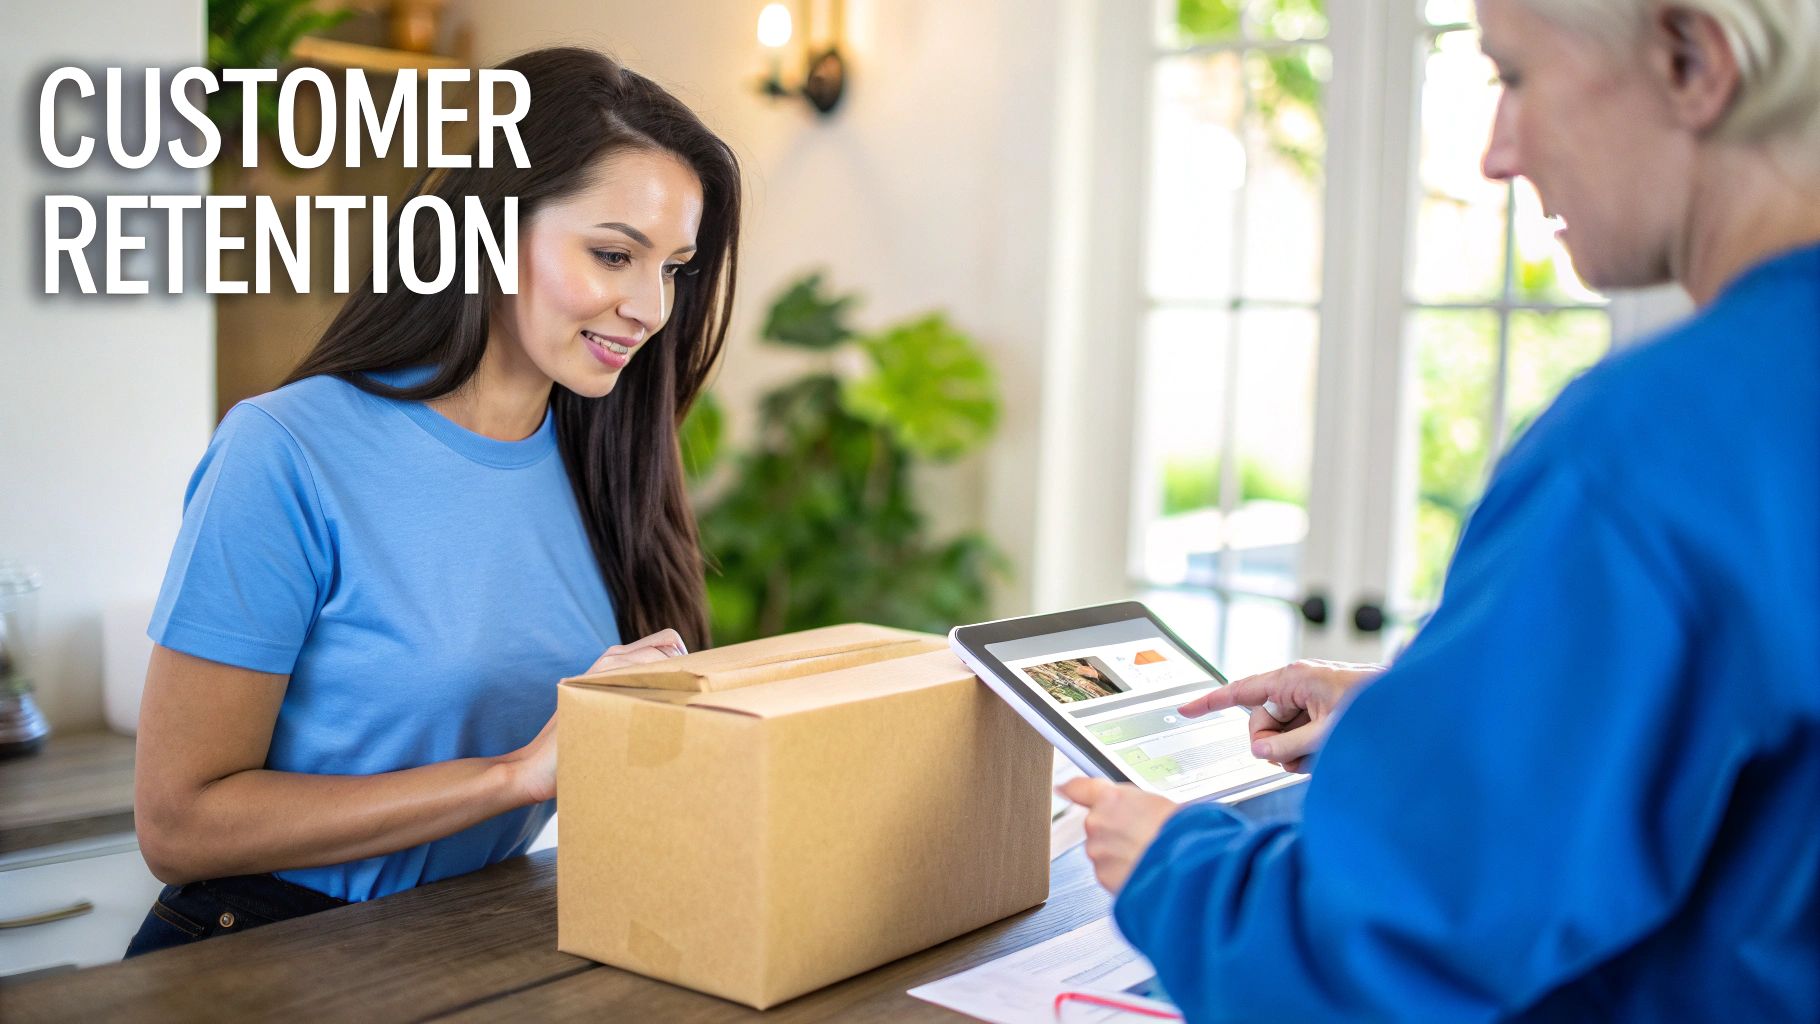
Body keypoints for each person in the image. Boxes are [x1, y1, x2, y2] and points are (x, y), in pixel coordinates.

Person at [1063, 0, 1820, 1017]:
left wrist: (1171, 864)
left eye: (1512, 78)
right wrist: (1420, 717)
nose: (1496, 156)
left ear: (1691, 60)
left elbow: (1369, 966)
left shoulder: (1645, 452)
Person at [126, 47, 742, 955]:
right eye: (614, 254)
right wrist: (512, 778)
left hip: (470, 939)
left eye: (676, 269)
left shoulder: (605, 464)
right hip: (258, 951)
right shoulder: (286, 450)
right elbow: (176, 825)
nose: (650, 308)